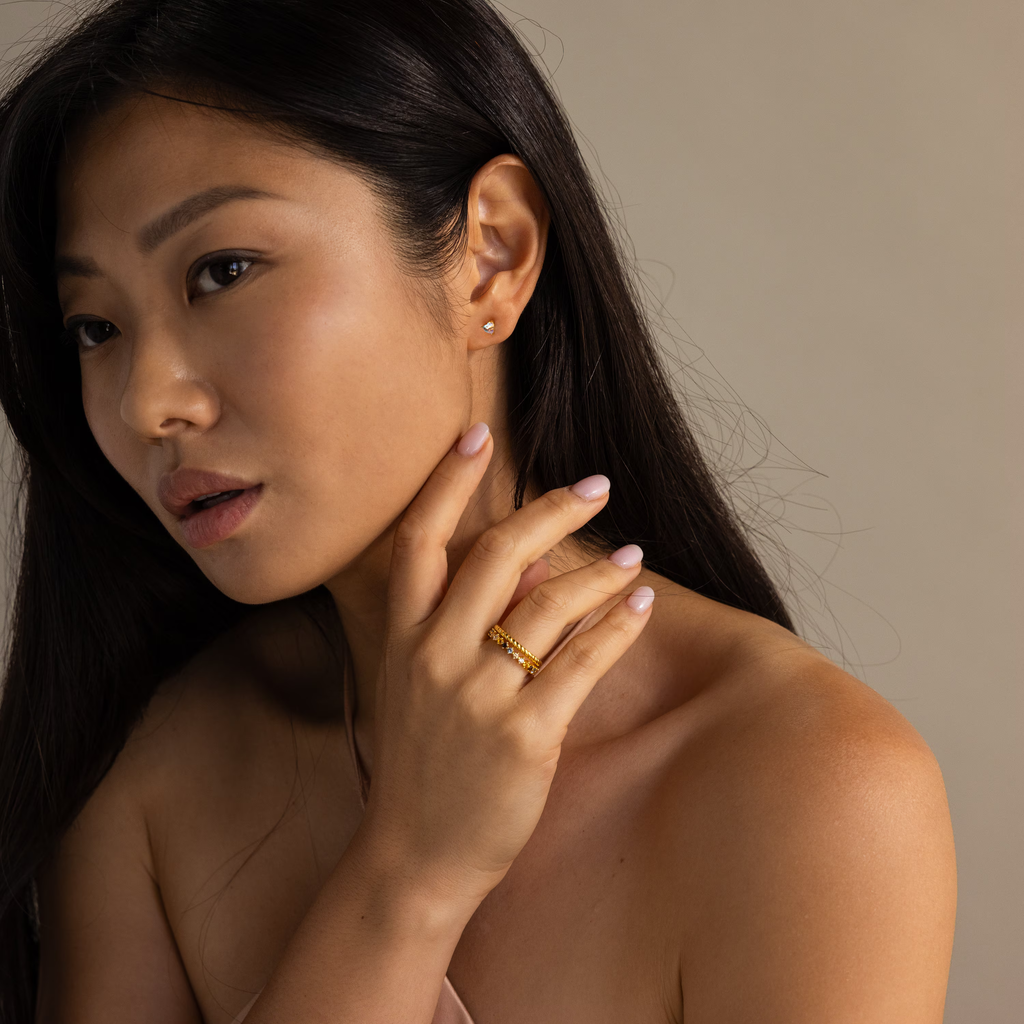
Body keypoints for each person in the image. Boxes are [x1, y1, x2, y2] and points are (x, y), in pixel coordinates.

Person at [0, 0, 956, 1020]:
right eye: (95, 327)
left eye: (221, 272)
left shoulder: (809, 788)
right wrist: (409, 874)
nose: (148, 403)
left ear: (491, 253)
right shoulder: (155, 780)